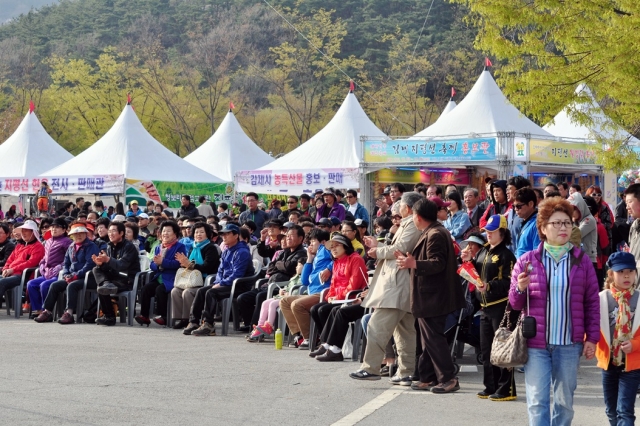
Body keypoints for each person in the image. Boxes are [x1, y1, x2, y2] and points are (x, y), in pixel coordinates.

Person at [509, 196, 599, 425]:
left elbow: (591, 302)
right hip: (536, 344)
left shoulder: (582, 261)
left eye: (567, 223)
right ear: (543, 228)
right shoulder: (527, 261)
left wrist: (593, 338)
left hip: (569, 344)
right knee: (537, 400)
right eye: (556, 223)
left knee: (564, 402)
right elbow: (515, 304)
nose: (563, 228)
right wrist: (520, 289)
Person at [349, 191, 422, 383]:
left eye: (399, 205)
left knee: (376, 326)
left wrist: (378, 251)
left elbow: (401, 248)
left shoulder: (412, 225)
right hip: (399, 283)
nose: (396, 208)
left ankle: (371, 367)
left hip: (397, 285)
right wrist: (379, 247)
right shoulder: (407, 224)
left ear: (407, 207)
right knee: (404, 331)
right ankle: (406, 372)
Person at [395, 198, 466, 393]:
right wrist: (410, 261)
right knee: (428, 338)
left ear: (417, 216)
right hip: (430, 296)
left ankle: (448, 377)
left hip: (433, 297)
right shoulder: (433, 231)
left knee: (433, 338)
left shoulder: (435, 234)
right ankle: (426, 376)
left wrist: (414, 264)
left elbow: (437, 263)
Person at [461, 214, 518, 401]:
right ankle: (490, 386)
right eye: (487, 231)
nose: (489, 234)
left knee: (503, 349)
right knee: (487, 350)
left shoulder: (506, 255)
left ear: (502, 232)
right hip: (484, 306)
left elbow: (509, 281)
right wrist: (468, 261)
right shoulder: (483, 251)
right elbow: (474, 275)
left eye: (492, 231)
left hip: (501, 306)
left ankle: (506, 388)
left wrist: (490, 286)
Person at [597, 252, 640, 426]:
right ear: (611, 274)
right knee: (611, 410)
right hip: (608, 364)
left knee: (625, 411)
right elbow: (591, 328)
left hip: (632, 366)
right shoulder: (601, 299)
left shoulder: (638, 298)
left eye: (630, 271)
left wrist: (635, 344)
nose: (627, 275)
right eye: (621, 271)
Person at [186, 224, 252, 336]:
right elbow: (220, 271)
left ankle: (209, 325)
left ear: (236, 235)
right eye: (223, 234)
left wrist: (221, 283)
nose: (224, 237)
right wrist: (218, 282)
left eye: (227, 234)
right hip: (226, 284)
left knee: (211, 292)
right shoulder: (227, 250)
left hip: (239, 286)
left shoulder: (242, 252)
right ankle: (194, 322)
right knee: (201, 291)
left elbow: (237, 275)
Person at [237, 225, 306, 331]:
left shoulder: (301, 253)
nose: (288, 238)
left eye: (291, 236)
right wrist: (281, 265)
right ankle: (249, 324)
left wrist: (279, 265)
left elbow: (290, 267)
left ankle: (256, 329)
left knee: (260, 296)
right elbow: (270, 268)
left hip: (282, 287)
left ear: (301, 238)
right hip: (270, 284)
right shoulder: (284, 252)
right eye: (287, 236)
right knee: (243, 298)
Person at [307, 233, 368, 348]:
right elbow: (333, 284)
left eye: (337, 246)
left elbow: (353, 285)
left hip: (352, 297)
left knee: (324, 310)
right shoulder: (336, 262)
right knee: (315, 309)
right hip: (339, 299)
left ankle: (329, 344)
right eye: (332, 247)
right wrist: (330, 296)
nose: (333, 249)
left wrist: (337, 296)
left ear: (345, 246)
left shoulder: (355, 259)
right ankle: (325, 343)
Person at [33, 223, 99, 324]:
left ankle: (69, 313)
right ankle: (47, 312)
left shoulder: (91, 246)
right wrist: (66, 275)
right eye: (76, 234)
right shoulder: (71, 246)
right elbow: (66, 264)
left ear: (86, 234)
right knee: (54, 285)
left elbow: (89, 265)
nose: (79, 236)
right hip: (72, 277)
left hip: (87, 278)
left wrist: (76, 275)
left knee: (71, 286)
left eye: (81, 233)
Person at [280, 229, 333, 348]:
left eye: (313, 242)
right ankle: (299, 335)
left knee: (297, 305)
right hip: (311, 292)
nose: (310, 245)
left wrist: (329, 268)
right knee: (284, 301)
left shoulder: (326, 250)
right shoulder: (315, 256)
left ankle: (311, 338)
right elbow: (304, 281)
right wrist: (309, 259)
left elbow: (339, 259)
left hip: (323, 292)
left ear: (323, 242)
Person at [135, 221, 187, 326]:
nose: (165, 233)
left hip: (172, 278)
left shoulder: (180, 247)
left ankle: (164, 317)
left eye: (168, 231)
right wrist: (157, 265)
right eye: (163, 231)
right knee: (146, 289)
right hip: (159, 277)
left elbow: (179, 264)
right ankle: (144, 316)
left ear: (175, 234)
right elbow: (152, 265)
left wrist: (163, 262)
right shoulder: (159, 247)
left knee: (160, 290)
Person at [171, 222, 221, 329]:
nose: (198, 234)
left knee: (188, 292)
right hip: (191, 279)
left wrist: (190, 265)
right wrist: (184, 264)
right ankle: (182, 319)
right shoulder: (192, 248)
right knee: (175, 291)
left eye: (202, 232)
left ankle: (193, 320)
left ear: (207, 234)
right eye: (196, 232)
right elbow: (189, 266)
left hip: (205, 279)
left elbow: (207, 267)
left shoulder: (211, 248)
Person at [92, 222, 141, 326]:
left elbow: (122, 265)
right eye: (109, 231)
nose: (110, 234)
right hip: (113, 280)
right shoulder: (109, 246)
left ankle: (109, 317)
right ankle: (108, 316)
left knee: (102, 287)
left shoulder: (129, 247)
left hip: (126, 279)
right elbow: (109, 267)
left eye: (113, 231)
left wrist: (108, 259)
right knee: (96, 271)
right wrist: (101, 264)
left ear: (121, 233)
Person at [246, 258, 304, 342]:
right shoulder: (294, 277)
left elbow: (301, 290)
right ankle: (260, 326)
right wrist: (282, 290)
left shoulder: (303, 279)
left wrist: (289, 294)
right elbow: (288, 287)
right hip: (283, 296)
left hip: (290, 298)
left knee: (272, 304)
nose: (296, 267)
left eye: (299, 265)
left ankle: (269, 326)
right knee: (265, 302)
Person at [27, 218, 72, 317]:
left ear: (64, 230)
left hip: (58, 274)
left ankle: (46, 311)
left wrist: (59, 267)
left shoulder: (67, 242)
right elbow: (44, 257)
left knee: (44, 285)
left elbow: (69, 259)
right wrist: (42, 264)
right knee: (31, 284)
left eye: (57, 227)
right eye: (52, 227)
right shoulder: (48, 241)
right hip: (47, 273)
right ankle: (38, 310)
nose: (54, 229)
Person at [0, 221, 45, 304]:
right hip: (11, 273)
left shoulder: (38, 247)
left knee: (1, 282)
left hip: (23, 276)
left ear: (33, 232)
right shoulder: (19, 245)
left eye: (26, 231)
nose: (23, 233)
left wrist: (12, 269)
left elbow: (31, 263)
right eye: (22, 231)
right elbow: (10, 260)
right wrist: (5, 268)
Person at [569, 192, 597, 268]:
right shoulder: (578, 221)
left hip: (589, 258)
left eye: (574, 210)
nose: (572, 213)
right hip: (579, 257)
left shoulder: (589, 219)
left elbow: (576, 234)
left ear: (580, 208)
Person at [585, 185, 614, 253]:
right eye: (594, 194)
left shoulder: (604, 207)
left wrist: (599, 224)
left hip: (602, 239)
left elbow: (609, 224)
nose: (596, 197)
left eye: (599, 194)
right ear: (589, 195)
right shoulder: (585, 207)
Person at [514, 188, 541, 258]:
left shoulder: (537, 224)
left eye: (518, 206)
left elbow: (537, 252)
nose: (515, 209)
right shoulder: (525, 222)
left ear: (531, 204)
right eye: (514, 206)